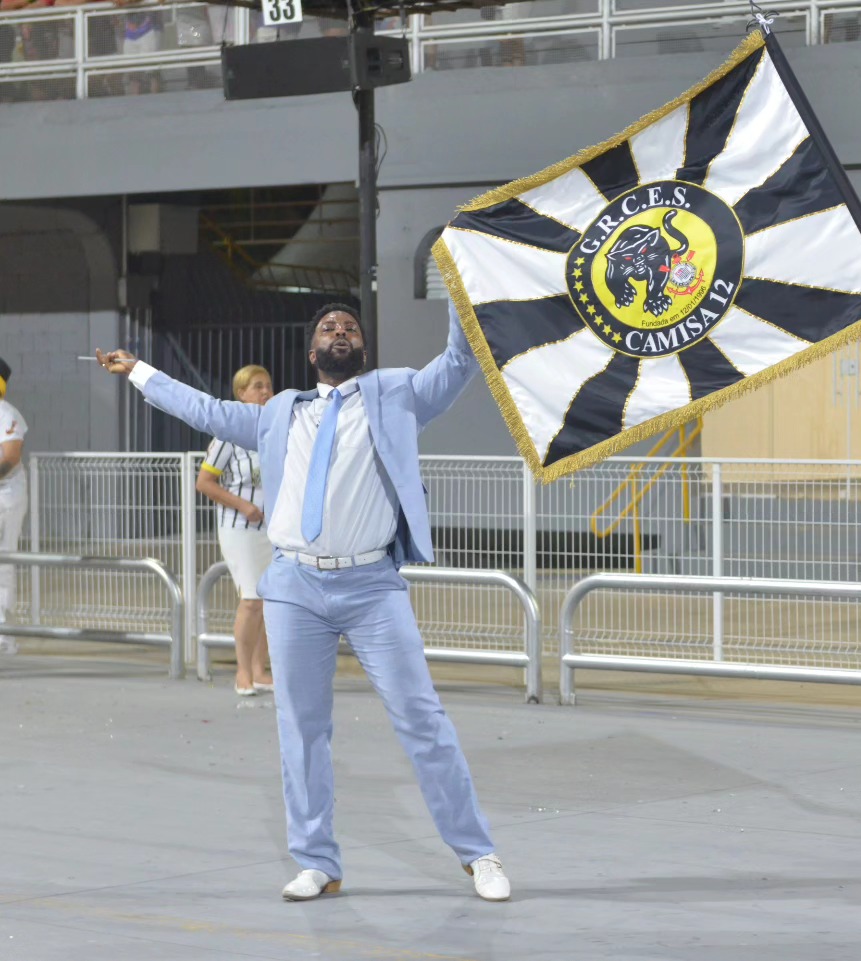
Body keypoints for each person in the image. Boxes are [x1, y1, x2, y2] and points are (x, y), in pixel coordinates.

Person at [95, 303, 510, 903]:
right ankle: (317, 861)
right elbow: (202, 409)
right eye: (328, 329)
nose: (340, 333)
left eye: (351, 328)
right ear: (313, 353)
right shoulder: (279, 412)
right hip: (294, 587)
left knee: (423, 721)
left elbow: (457, 361)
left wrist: (457, 288)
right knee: (301, 729)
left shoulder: (397, 395)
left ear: (363, 349)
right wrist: (138, 371)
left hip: (371, 586)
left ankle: (479, 854)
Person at [198, 364, 275, 696]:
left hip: (271, 529)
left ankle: (261, 671)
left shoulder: (273, 433)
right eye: (257, 386)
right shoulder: (228, 436)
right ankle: (243, 671)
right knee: (251, 599)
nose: (265, 392)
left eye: (268, 386)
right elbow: (204, 483)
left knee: (270, 602)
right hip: (240, 528)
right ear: (241, 393)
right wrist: (243, 506)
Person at [0, 357, 26, 655]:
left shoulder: (6, 414)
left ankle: (5, 637)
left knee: (3, 563)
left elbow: (11, 456)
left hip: (6, 496)